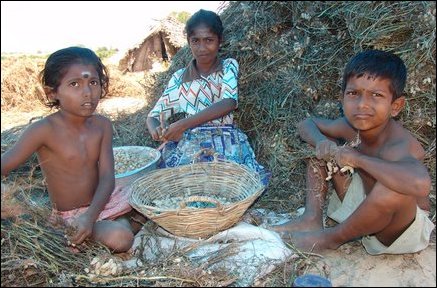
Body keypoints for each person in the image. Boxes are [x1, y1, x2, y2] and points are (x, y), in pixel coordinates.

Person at [271, 50, 434, 254]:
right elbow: (307, 124)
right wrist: (322, 142)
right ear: (342, 98)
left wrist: (359, 159)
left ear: (395, 106)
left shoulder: (400, 144)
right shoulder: (350, 127)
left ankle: (331, 239)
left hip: (399, 229)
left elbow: (420, 184)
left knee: (394, 188)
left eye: (376, 95)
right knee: (324, 145)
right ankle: (311, 218)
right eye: (353, 94)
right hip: (363, 205)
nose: (362, 104)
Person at [1, 47, 145, 253]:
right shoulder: (43, 130)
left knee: (150, 191)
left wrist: (91, 216)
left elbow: (107, 177)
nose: (87, 92)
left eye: (93, 82)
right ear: (52, 92)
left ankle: (118, 220)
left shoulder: (102, 125)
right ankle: (122, 223)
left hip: (102, 202)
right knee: (121, 238)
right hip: (71, 217)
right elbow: (4, 165)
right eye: (74, 84)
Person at [146, 9, 269, 184]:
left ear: (220, 41)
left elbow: (228, 102)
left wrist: (182, 124)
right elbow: (153, 116)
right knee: (182, 183)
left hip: (226, 140)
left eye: (209, 40)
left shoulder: (228, 66)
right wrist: (156, 128)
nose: (202, 48)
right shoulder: (179, 78)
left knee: (229, 182)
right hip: (191, 143)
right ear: (188, 42)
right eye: (195, 41)